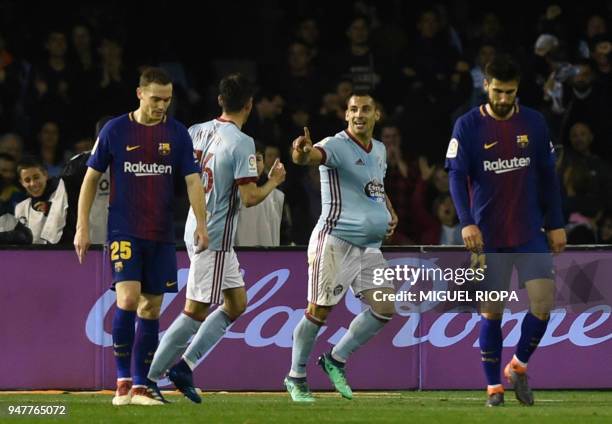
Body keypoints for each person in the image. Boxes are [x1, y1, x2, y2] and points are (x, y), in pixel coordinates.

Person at [146, 73, 286, 404]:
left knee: (237, 302)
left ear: (220, 100)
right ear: (249, 105)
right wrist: (274, 181)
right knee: (194, 310)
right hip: (216, 235)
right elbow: (250, 198)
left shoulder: (195, 131)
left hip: (195, 223)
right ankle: (149, 379)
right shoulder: (243, 143)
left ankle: (185, 367)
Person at [73, 67, 208, 406]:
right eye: (155, 98)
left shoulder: (177, 134)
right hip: (124, 230)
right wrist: (82, 226)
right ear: (139, 94)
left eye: (167, 99)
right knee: (128, 299)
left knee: (151, 307)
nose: (162, 105)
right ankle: (121, 383)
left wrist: (202, 225)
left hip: (161, 234)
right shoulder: (115, 130)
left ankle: (140, 387)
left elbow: (193, 181)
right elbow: (90, 179)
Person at [445, 55, 566, 407]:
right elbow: (455, 176)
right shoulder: (467, 126)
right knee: (492, 312)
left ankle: (518, 366)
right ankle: (493, 389)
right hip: (488, 235)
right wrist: (466, 220)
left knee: (543, 304)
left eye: (509, 92)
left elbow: (548, 177)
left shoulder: (535, 122)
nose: (502, 98)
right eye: (497, 91)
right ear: (486, 86)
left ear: (517, 89)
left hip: (530, 231)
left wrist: (556, 223)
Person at [285, 92, 398, 402]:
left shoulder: (379, 150)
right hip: (336, 241)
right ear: (346, 115)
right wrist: (300, 152)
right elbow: (309, 156)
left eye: (364, 109)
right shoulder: (335, 145)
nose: (358, 114)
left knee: (385, 306)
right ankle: (295, 376)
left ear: (377, 115)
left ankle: (335, 358)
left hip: (369, 247)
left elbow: (376, 186)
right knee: (318, 311)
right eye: (352, 109)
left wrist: (387, 209)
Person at [13, 156, 68, 244]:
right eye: (27, 180)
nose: (33, 183)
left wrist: (51, 210)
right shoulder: (20, 208)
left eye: (36, 177)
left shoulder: (62, 197)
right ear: (21, 183)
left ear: (45, 175)